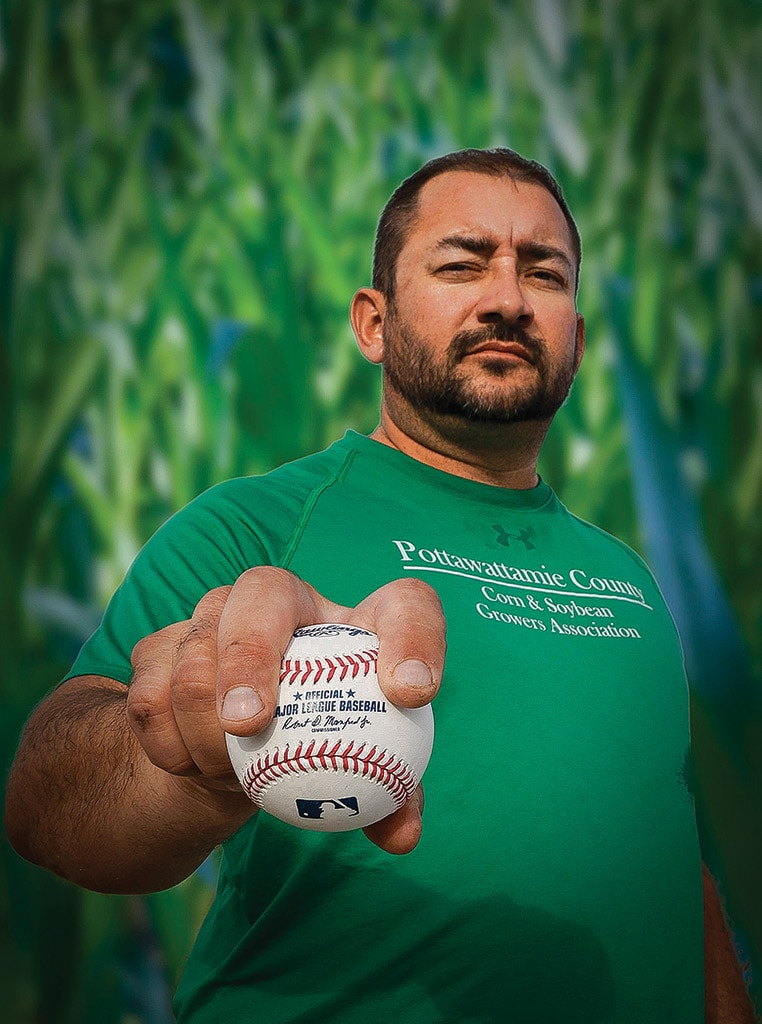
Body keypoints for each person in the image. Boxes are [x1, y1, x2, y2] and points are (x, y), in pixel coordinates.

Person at [5, 148, 755, 1023]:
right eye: (462, 264)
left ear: (578, 341)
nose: (508, 299)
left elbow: (675, 868)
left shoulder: (628, 578)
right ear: (374, 321)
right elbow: (43, 803)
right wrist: (193, 765)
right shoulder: (253, 526)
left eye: (543, 274)